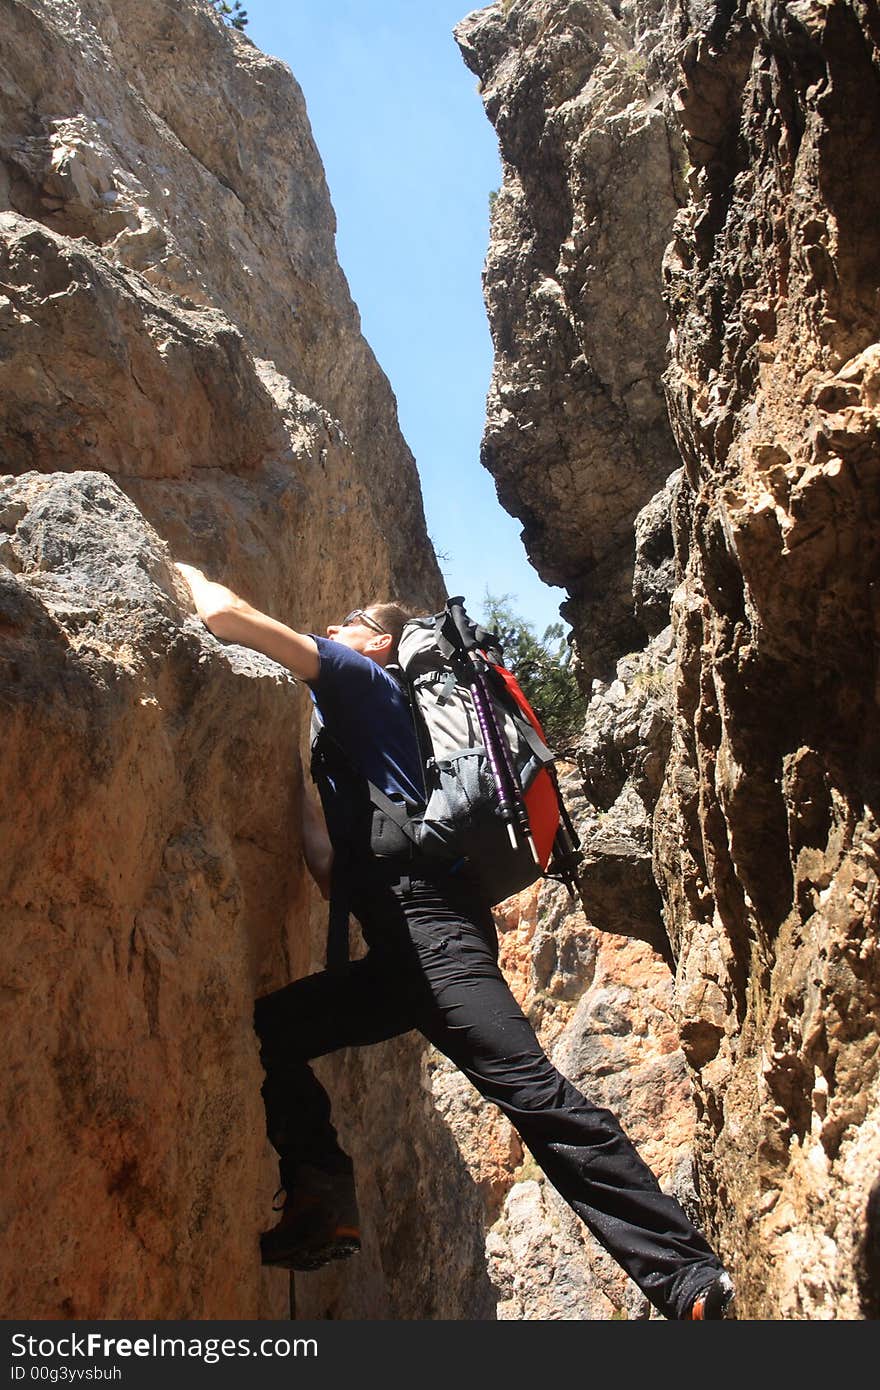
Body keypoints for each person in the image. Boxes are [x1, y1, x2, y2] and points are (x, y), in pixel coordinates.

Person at [174, 563, 736, 1320]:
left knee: (533, 1095)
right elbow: (334, 870)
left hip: (435, 942)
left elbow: (232, 619)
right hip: (402, 956)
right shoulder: (359, 734)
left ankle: (690, 1280)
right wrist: (299, 805)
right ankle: (322, 1195)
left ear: (378, 644)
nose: (331, 629)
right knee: (268, 1032)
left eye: (345, 623)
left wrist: (181, 569)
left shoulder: (362, 683)